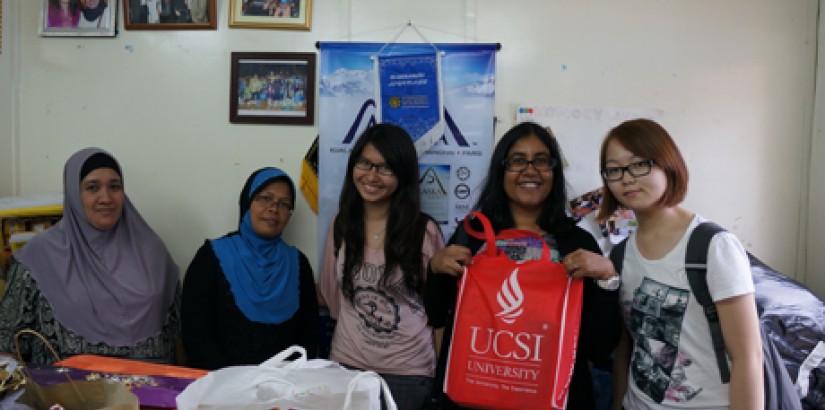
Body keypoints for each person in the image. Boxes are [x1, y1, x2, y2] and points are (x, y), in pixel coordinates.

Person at [425, 121, 621, 410]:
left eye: (541, 161)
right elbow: (437, 314)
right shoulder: (473, 234)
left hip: (553, 397)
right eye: (517, 161)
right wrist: (435, 270)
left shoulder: (577, 243)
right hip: (474, 394)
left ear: (553, 172)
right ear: (501, 171)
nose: (530, 170)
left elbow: (600, 347)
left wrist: (607, 279)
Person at [599, 119, 763, 409]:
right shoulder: (621, 255)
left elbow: (747, 357)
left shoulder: (713, 246)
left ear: (668, 164)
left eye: (638, 164)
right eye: (614, 170)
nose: (626, 178)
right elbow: (626, 350)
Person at [0, 148, 180, 365]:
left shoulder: (152, 252)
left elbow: (178, 335)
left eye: (114, 187)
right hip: (68, 394)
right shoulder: (37, 259)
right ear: (74, 194)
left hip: (151, 392)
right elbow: (7, 346)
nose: (106, 198)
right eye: (92, 188)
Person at [319, 123, 445, 410]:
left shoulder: (424, 231)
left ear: (402, 176)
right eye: (365, 163)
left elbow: (438, 311)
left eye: (386, 168)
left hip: (408, 375)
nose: (372, 176)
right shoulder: (342, 226)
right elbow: (332, 295)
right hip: (347, 367)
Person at [181, 167, 319, 370]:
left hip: (282, 388)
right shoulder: (212, 257)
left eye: (284, 204)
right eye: (265, 198)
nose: (273, 208)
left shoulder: (298, 264)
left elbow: (308, 334)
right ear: (247, 203)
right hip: (221, 386)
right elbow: (196, 333)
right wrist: (231, 381)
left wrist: (283, 381)